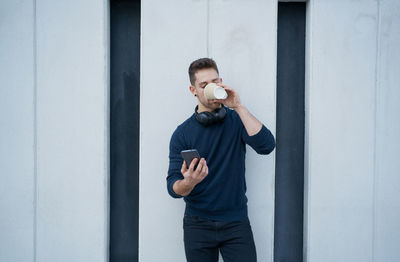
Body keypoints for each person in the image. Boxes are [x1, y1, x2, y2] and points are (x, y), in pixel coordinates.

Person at [167, 58, 275, 262]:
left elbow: (267, 146)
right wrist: (189, 182)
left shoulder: (237, 120)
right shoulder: (182, 134)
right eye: (204, 85)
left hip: (236, 222)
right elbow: (172, 187)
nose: (211, 88)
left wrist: (238, 106)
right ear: (193, 91)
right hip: (197, 224)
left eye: (214, 82)